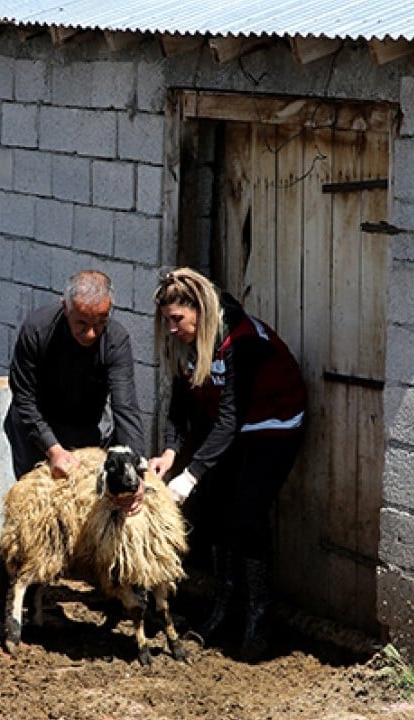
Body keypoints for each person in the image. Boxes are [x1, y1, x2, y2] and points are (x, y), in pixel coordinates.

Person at [148, 267, 307, 661]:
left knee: (245, 515)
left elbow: (230, 417)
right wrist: (170, 452)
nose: (171, 328)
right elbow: (180, 404)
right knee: (213, 511)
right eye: (166, 320)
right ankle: (222, 609)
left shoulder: (241, 340)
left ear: (199, 311)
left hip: (272, 421)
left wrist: (191, 474)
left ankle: (259, 616)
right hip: (231, 425)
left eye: (177, 320)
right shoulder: (186, 344)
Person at [0, 269, 147, 636]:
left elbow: (126, 409)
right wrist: (52, 449)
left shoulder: (116, 341)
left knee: (87, 510)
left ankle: (79, 593)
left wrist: (137, 473)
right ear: (65, 307)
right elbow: (22, 398)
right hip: (34, 428)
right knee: (32, 513)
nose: (91, 333)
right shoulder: (38, 330)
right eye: (82, 323)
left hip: (83, 428)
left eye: (99, 323)